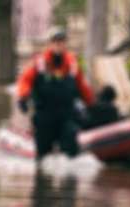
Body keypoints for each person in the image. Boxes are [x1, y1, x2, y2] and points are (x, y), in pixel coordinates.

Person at [17, 28, 95, 162]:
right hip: (44, 116)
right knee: (42, 154)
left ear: (65, 44)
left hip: (67, 115)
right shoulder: (39, 63)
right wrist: (23, 97)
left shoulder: (72, 64)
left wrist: (92, 105)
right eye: (56, 41)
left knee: (71, 148)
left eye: (62, 41)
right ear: (50, 44)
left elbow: (82, 86)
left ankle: (69, 178)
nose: (59, 44)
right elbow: (25, 80)